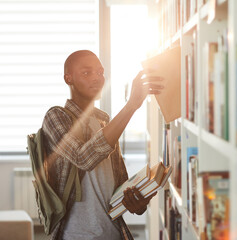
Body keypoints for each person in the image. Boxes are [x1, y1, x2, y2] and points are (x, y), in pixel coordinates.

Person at [42, 50, 163, 240]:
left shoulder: (104, 120)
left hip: (114, 233)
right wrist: (131, 105)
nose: (97, 78)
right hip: (76, 235)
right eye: (86, 73)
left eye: (100, 72)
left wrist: (137, 201)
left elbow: (120, 184)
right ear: (68, 78)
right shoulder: (56, 117)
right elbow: (83, 158)